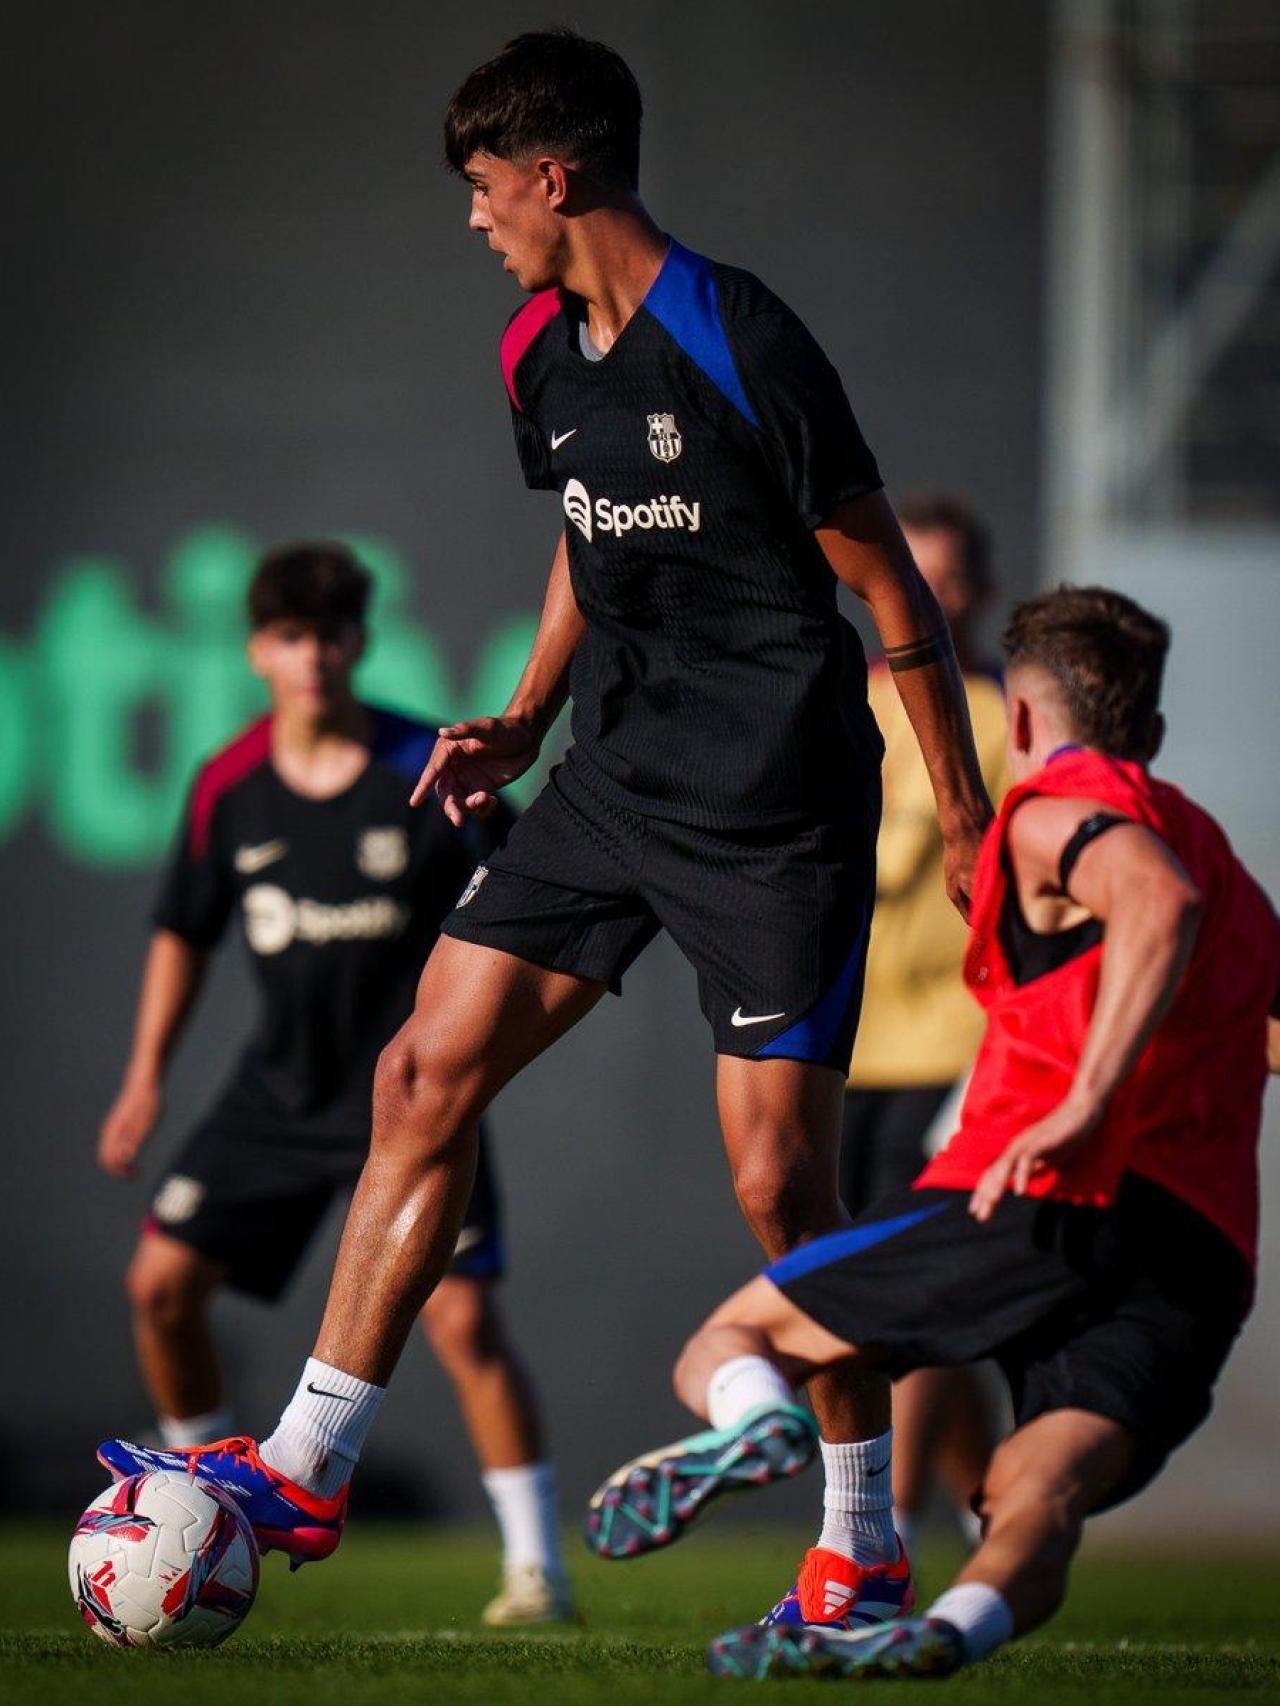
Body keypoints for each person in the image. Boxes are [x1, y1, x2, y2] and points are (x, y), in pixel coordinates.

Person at [98, 30, 992, 1629]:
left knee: (782, 1188)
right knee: (419, 1073)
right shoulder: (534, 351)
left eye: (483, 186)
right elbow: (586, 538)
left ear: (554, 175)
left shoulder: (740, 335)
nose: (473, 217)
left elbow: (891, 591)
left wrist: (971, 813)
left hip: (778, 808)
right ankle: (306, 1462)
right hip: (610, 776)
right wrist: (523, 713)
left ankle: (860, 1540)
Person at [586, 585, 1279, 1680]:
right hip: (1198, 1250)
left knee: (729, 1344)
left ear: (1017, 717)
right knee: (1031, 1490)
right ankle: (945, 1632)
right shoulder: (1226, 867)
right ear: (1150, 728)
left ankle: (761, 1425)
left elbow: (1155, 902)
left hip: (1044, 1194)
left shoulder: (1052, 810)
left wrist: (1087, 1102)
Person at [96, 542, 572, 1626]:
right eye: (289, 636)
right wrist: (142, 1080)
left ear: (360, 642)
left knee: (465, 1326)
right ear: (257, 651)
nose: (311, 657)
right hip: (276, 1091)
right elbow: (183, 931)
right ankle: (199, 1507)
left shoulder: (425, 766)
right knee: (160, 1287)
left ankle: (537, 1569)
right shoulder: (228, 784)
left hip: (410, 1098)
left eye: (330, 635)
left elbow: (530, 894)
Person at [842, 495, 1010, 1551]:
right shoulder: (841, 702)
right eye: (914, 580)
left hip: (955, 1043)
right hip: (842, 1046)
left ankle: (881, 1533)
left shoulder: (1003, 717)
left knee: (910, 1294)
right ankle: (997, 1510)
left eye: (947, 583)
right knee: (892, 1301)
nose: (930, 603)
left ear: (980, 592)